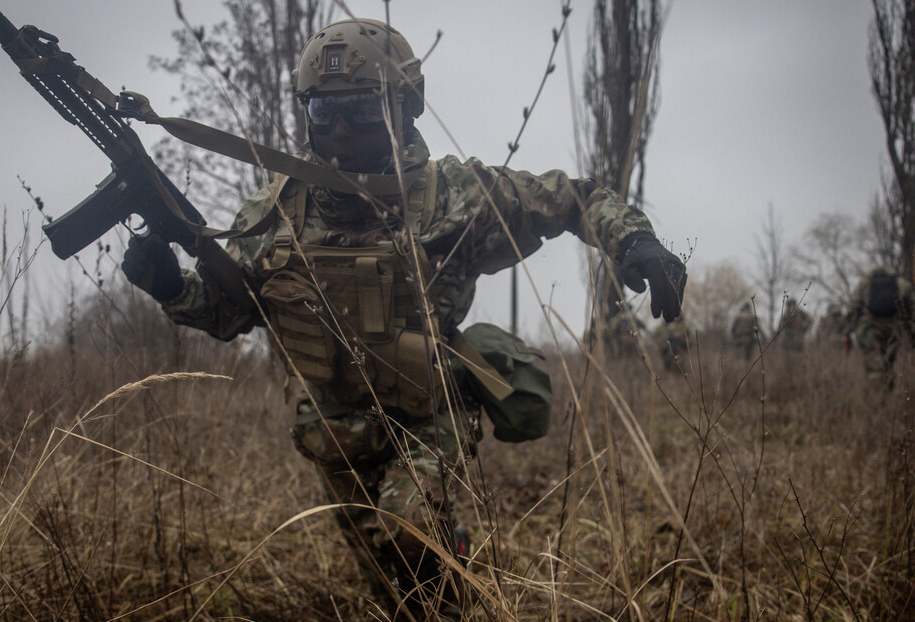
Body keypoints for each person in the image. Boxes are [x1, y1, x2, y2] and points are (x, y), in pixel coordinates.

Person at [120, 17, 687, 617]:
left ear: (404, 106)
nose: (339, 130)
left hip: (429, 411)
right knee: (396, 589)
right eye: (323, 113)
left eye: (362, 110)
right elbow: (231, 312)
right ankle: (446, 578)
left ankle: (452, 572)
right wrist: (165, 284)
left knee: (407, 528)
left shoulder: (453, 196)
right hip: (334, 427)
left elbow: (574, 197)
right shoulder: (276, 212)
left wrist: (633, 243)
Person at [847, 266, 915, 385]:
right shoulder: (902, 284)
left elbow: (853, 308)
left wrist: (851, 329)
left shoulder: (865, 283)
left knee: (874, 366)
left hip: (870, 329)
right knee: (888, 363)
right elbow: (914, 307)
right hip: (894, 329)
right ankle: (888, 392)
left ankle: (878, 398)